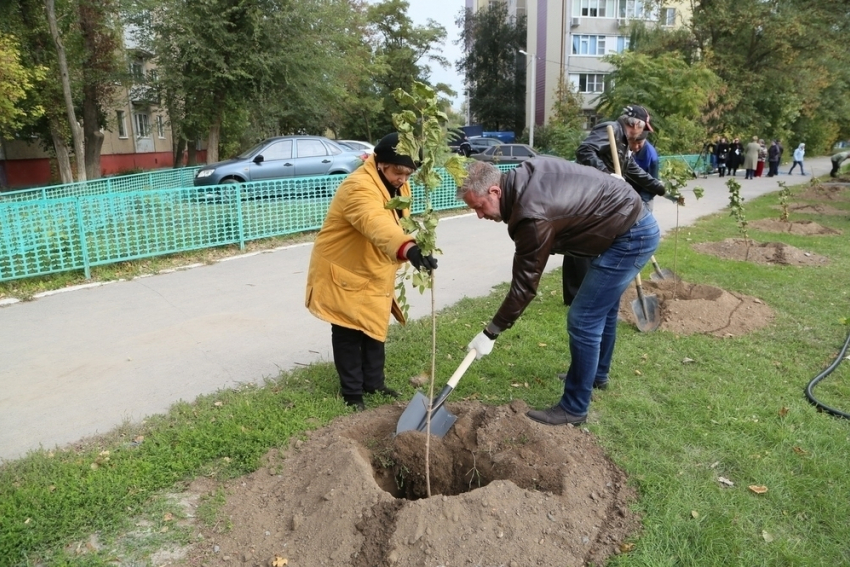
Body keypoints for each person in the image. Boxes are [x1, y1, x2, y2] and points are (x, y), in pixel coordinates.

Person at [460, 158, 660, 426]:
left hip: (630, 237)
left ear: (495, 191)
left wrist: (491, 332)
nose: (480, 215)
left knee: (584, 319)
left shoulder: (531, 215)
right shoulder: (524, 173)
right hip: (621, 222)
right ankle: (596, 374)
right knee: (603, 308)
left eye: (479, 207)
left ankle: (574, 408)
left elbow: (524, 286)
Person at [304, 132, 438, 411]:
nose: (403, 179)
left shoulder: (398, 187)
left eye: (408, 174)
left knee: (373, 325)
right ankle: (352, 393)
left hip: (372, 267)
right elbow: (375, 222)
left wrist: (418, 242)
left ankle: (373, 383)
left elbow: (400, 220)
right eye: (397, 172)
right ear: (379, 163)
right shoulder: (359, 187)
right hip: (344, 270)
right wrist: (408, 248)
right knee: (348, 331)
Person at [560, 105, 665, 305]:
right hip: (588, 194)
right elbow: (584, 151)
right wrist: (607, 175)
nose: (642, 133)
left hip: (598, 197)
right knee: (581, 243)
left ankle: (579, 293)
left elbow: (634, 171)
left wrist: (660, 188)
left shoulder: (623, 142)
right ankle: (574, 296)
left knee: (588, 243)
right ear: (635, 124)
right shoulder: (611, 129)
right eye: (643, 128)